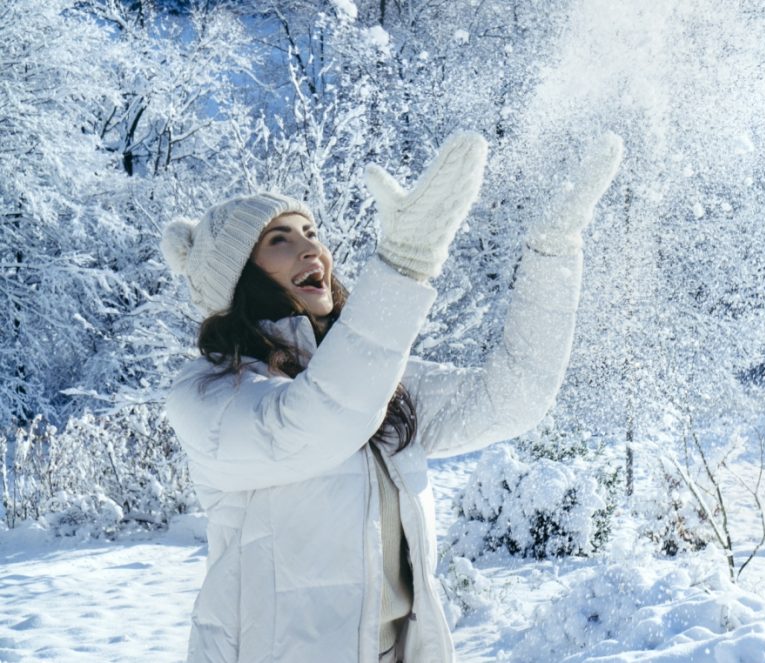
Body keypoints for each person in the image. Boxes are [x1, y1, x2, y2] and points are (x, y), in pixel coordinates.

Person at [160, 131, 624, 663]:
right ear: (238, 277)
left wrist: (552, 251)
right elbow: (317, 424)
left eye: (311, 232)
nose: (312, 248)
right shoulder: (213, 396)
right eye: (279, 240)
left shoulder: (374, 379)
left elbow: (513, 395)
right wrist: (402, 264)